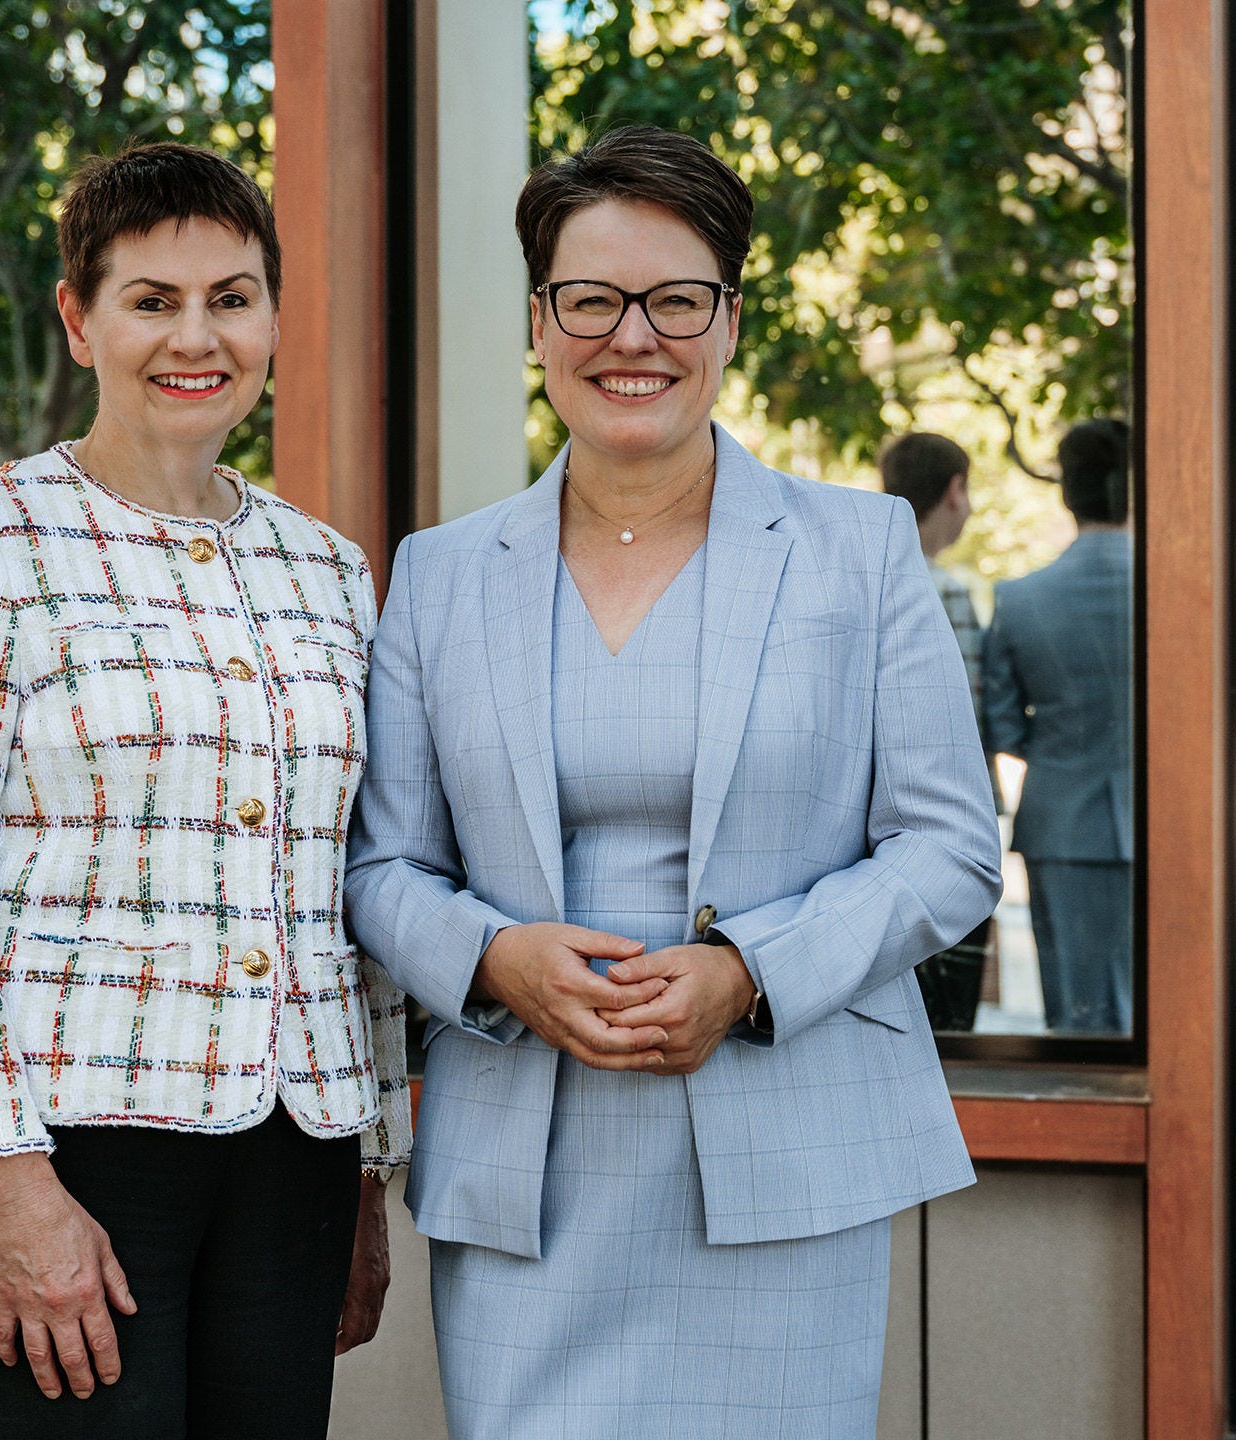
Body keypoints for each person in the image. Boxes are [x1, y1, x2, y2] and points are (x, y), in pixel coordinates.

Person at [345, 125, 1000, 1439]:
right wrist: (491, 956)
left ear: (730, 319)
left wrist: (752, 969)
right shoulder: (440, 572)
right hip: (529, 1165)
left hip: (786, 1151)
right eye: (591, 299)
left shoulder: (858, 550)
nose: (631, 336)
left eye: (676, 299)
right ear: (540, 321)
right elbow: (378, 866)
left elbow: (951, 848)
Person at [0, 142, 409, 1440]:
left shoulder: (330, 571)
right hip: (62, 1154)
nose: (195, 335)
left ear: (273, 315)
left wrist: (371, 1168)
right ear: (78, 319)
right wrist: (8, 1185)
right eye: (152, 299)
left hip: (296, 1158)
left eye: (232, 296)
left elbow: (343, 885)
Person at [982, 418, 1134, 1034]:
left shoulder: (1021, 598)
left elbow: (1002, 727)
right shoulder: (1183, 587)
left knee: (1079, 1019)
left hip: (1063, 824)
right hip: (1181, 825)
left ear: (1067, 493)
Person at [879, 432, 998, 1030]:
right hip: (943, 834)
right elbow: (974, 722)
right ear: (954, 491)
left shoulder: (856, 580)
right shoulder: (946, 591)